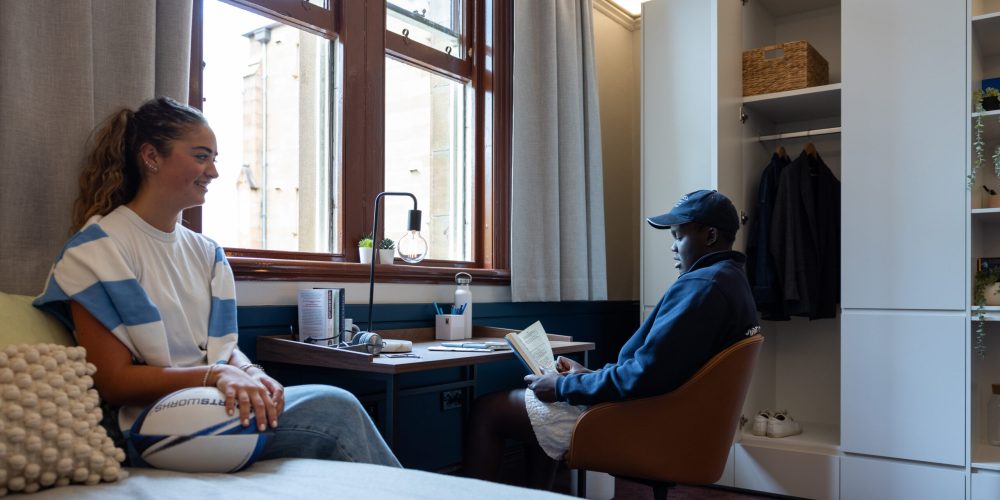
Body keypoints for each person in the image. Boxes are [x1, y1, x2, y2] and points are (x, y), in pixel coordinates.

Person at [34, 96, 399, 468]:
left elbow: (223, 349)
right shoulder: (98, 251)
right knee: (334, 409)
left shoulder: (206, 252)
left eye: (214, 159)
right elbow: (114, 381)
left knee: (333, 401)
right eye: (200, 156)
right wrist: (216, 375)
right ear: (151, 156)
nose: (213, 172)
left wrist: (251, 373)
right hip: (152, 422)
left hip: (214, 401)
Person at [463, 189, 760, 489]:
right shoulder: (731, 280)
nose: (672, 248)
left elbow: (645, 376)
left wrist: (564, 386)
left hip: (645, 422)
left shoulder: (702, 286)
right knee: (535, 408)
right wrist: (588, 375)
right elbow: (664, 371)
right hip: (671, 418)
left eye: (678, 237)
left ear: (709, 236)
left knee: (489, 410)